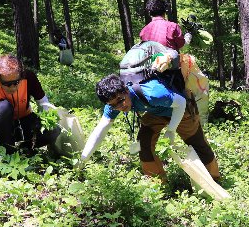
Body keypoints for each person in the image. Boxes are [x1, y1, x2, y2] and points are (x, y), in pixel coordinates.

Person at [78, 74, 219, 182]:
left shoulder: (153, 93)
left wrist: (171, 130)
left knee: (197, 142)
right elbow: (100, 129)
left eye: (121, 100)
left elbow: (180, 103)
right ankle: (158, 184)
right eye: (114, 105)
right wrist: (83, 159)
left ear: (126, 90)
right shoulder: (115, 102)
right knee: (143, 143)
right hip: (157, 112)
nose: (120, 106)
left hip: (181, 110)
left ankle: (214, 179)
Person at [0, 54, 60, 160]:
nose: (12, 87)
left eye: (16, 82)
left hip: (25, 119)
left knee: (55, 130)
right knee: (3, 107)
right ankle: (8, 150)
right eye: (7, 84)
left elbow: (43, 103)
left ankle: (26, 147)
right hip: (2, 127)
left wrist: (45, 122)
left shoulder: (29, 77)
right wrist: (2, 159)